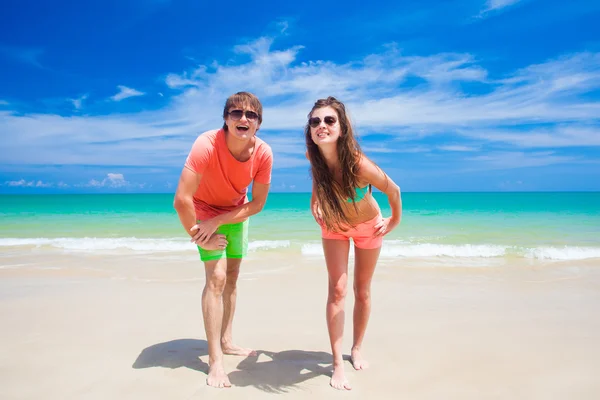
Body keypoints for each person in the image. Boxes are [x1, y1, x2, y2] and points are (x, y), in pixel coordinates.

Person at [173, 92, 273, 388]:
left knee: (232, 276)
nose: (243, 118)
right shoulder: (207, 144)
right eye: (236, 113)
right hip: (202, 210)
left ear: (258, 123)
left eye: (250, 115)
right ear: (226, 119)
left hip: (236, 213)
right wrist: (199, 234)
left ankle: (226, 340)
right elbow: (181, 200)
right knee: (215, 279)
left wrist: (220, 221)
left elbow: (257, 204)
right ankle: (215, 360)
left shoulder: (264, 153)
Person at [305, 96, 402, 390]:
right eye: (315, 121)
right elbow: (317, 183)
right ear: (310, 130)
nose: (321, 125)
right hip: (334, 225)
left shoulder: (359, 165)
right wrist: (315, 207)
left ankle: (356, 347)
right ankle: (336, 362)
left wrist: (394, 221)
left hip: (367, 227)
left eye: (329, 120)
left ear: (342, 128)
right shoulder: (315, 157)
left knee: (362, 291)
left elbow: (394, 190)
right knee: (337, 289)